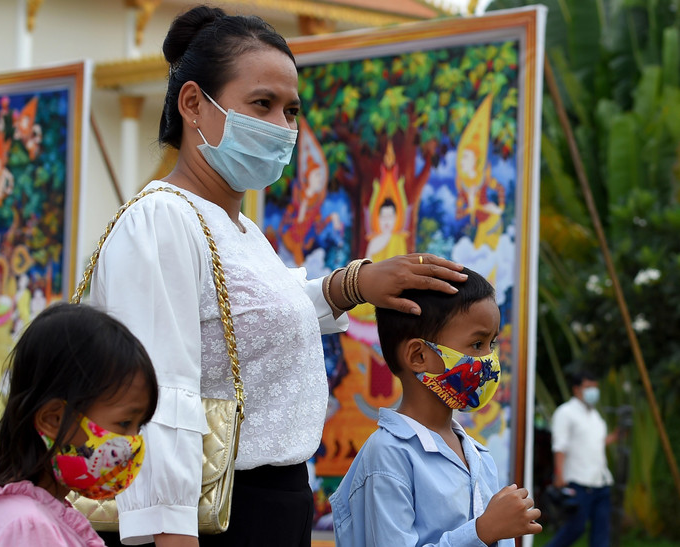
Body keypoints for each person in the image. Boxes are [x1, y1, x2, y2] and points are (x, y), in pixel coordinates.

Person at [90, 6, 469, 546]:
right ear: (194, 104)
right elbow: (157, 397)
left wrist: (352, 286)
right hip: (210, 514)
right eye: (261, 104)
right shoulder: (163, 220)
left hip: (274, 504)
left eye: (290, 110)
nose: (282, 128)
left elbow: (248, 320)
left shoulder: (239, 228)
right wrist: (172, 535)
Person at [329, 268, 542, 546]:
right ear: (419, 356)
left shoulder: (479, 456)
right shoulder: (388, 456)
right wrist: (482, 531)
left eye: (492, 343)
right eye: (477, 344)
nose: (490, 359)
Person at [0, 304, 158, 546]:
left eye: (138, 426)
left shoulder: (30, 516)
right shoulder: (30, 527)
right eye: (124, 423)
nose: (133, 443)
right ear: (53, 420)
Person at [545, 371, 615, 547]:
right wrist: (559, 476)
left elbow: (595, 443)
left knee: (602, 533)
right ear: (576, 389)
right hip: (578, 482)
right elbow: (559, 446)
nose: (593, 391)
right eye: (589, 387)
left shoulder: (595, 415)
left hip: (601, 482)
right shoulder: (566, 412)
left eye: (595, 388)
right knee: (574, 529)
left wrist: (617, 436)